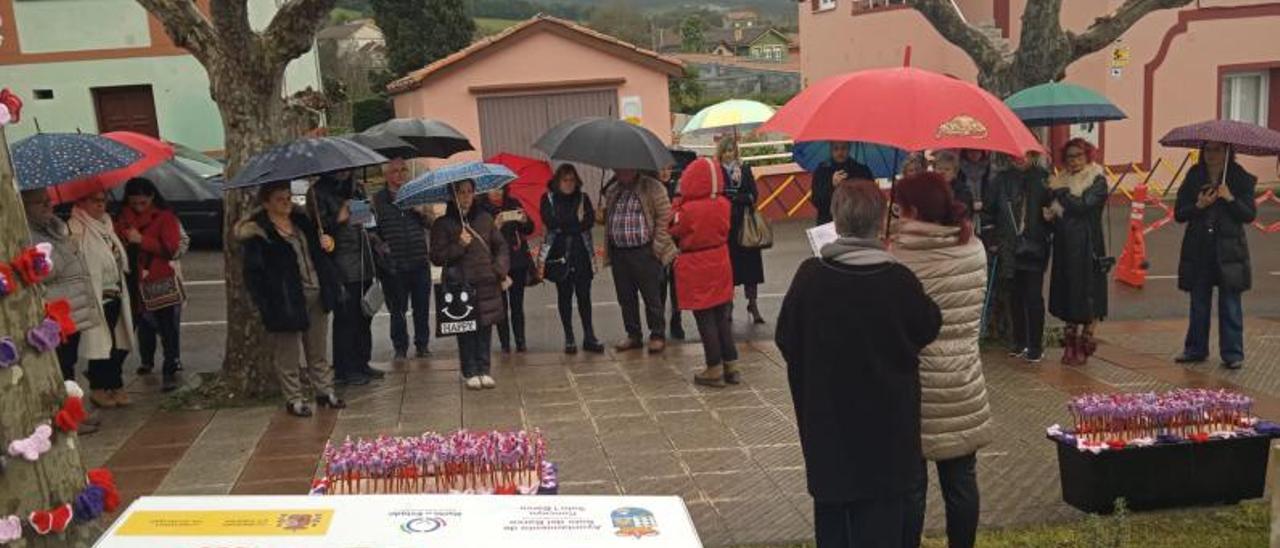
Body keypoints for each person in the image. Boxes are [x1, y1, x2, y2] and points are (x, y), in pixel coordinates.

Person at [778, 180, 942, 547]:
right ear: (880, 221)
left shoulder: (811, 278)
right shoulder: (898, 281)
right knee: (882, 526)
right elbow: (929, 325)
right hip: (888, 433)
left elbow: (786, 338)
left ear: (836, 221)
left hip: (829, 426)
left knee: (833, 526)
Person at [891, 172, 994, 548]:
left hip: (917, 386)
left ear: (915, 211)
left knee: (912, 486)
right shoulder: (975, 249)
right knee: (962, 481)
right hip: (963, 379)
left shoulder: (898, 260)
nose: (898, 216)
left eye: (901, 209)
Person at [239, 181, 346, 417]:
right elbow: (253, 274)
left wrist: (327, 244)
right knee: (288, 353)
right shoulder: (259, 232)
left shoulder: (303, 223)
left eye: (288, 198)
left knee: (317, 349)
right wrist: (266, 302)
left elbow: (319, 254)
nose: (286, 203)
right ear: (266, 203)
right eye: (280, 199)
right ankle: (294, 398)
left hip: (316, 292)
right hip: (285, 299)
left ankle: (324, 391)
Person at [24, 190, 106, 433]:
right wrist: (64, 253)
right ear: (26, 206)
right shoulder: (28, 234)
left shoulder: (54, 227)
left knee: (69, 363)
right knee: (60, 366)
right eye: (41, 203)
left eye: (49, 201)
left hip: (71, 309)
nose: (49, 206)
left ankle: (75, 411)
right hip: (53, 311)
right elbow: (44, 270)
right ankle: (66, 418)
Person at [1174, 141, 1257, 370]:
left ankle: (1233, 353)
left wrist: (1229, 198)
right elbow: (1179, 213)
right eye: (1208, 150)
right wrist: (1199, 205)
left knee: (1230, 302)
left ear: (1228, 152)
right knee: (1199, 302)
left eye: (1218, 150)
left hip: (1229, 250)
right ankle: (1195, 349)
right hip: (1199, 248)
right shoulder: (1194, 176)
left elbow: (1249, 214)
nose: (1212, 154)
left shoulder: (1239, 177)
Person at [430, 179, 509, 390]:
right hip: (460, 284)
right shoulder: (443, 224)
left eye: (469, 191)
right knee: (466, 329)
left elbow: (500, 246)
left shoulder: (484, 218)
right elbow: (437, 257)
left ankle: (484, 369)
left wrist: (499, 269)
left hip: (486, 281)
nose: (466, 196)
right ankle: (470, 371)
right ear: (453, 196)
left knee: (485, 326)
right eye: (461, 192)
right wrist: (459, 245)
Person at [670, 158, 737, 387]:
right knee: (722, 316)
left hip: (697, 262)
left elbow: (674, 227)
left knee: (704, 316)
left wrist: (677, 203)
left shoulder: (687, 209)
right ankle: (732, 365)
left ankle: (714, 367)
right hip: (720, 259)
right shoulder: (724, 203)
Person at [114, 178, 184, 392]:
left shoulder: (164, 217)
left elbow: (171, 248)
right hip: (130, 279)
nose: (138, 207)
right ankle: (117, 370)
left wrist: (141, 240)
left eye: (143, 203)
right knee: (132, 325)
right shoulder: (120, 218)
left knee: (167, 326)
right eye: (134, 203)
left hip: (157, 278)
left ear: (152, 197)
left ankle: (170, 367)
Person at [314, 171, 384, 386]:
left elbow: (363, 222)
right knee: (347, 318)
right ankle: (345, 368)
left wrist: (365, 208)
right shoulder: (319, 192)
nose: (344, 172)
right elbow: (318, 228)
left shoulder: (355, 187)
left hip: (363, 258)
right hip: (341, 262)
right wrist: (339, 218)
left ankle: (362, 361)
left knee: (364, 314)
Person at [68, 191, 135, 409]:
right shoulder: (76, 226)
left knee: (117, 343)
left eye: (103, 200)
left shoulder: (106, 225)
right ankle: (99, 387)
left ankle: (115, 383)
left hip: (115, 291)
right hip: (95, 295)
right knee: (100, 342)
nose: (100, 205)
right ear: (81, 202)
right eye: (94, 200)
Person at [1046, 138, 1109, 366]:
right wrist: (1051, 216)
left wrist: (1061, 194)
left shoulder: (1097, 180)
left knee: (1089, 296)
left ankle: (1085, 342)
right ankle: (1070, 343)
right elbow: (1060, 216)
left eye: (1079, 155)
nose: (1073, 160)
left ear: (1088, 156)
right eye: (1070, 156)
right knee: (1069, 295)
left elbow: (1083, 205)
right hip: (1065, 247)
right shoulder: (1059, 181)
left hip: (1088, 246)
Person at [602, 168, 676, 353]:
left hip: (644, 252)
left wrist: (657, 247)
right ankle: (633, 334)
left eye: (624, 167)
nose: (621, 171)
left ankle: (657, 334)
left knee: (652, 296)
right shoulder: (612, 190)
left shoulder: (653, 187)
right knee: (625, 297)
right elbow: (611, 219)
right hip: (619, 252)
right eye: (618, 168)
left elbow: (665, 218)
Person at [991, 153, 1052, 362]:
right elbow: (991, 211)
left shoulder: (1044, 178)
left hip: (1035, 244)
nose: (1019, 158)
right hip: (1010, 245)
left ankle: (1035, 345)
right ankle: (1019, 341)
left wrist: (1051, 216)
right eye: (1015, 154)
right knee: (1014, 296)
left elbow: (1056, 206)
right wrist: (993, 239)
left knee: (1033, 296)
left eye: (1025, 154)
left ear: (1033, 156)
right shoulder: (1002, 179)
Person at [372, 158, 433, 360]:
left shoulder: (416, 194)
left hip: (419, 260)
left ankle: (422, 345)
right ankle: (400, 347)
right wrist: (381, 246)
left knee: (422, 307)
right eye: (395, 171)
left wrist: (422, 211)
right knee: (397, 310)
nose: (400, 174)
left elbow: (432, 223)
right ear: (386, 175)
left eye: (403, 170)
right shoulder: (377, 200)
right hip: (394, 264)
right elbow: (370, 231)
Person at [541, 165, 605, 355]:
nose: (569, 184)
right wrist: (572, 224)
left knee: (584, 296)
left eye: (572, 180)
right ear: (557, 181)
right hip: (559, 255)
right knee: (564, 296)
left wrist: (566, 225)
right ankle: (569, 337)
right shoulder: (548, 199)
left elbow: (588, 222)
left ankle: (589, 335)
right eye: (565, 180)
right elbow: (550, 222)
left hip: (581, 254)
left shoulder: (583, 198)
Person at [717, 137, 766, 325]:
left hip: (745, 224)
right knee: (729, 268)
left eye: (732, 150)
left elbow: (753, 195)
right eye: (726, 150)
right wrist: (735, 197)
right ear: (721, 152)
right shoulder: (718, 171)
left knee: (750, 267)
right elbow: (718, 195)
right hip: (726, 225)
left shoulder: (744, 169)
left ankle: (753, 303)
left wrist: (735, 197)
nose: (730, 153)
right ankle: (728, 304)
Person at [480, 187, 534, 353]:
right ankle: (505, 343)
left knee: (517, 305)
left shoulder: (513, 203)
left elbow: (529, 229)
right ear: (486, 191)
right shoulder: (481, 210)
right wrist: (494, 226)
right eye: (493, 190)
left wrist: (524, 220)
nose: (497, 193)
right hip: (495, 263)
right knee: (501, 306)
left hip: (516, 261)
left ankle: (520, 341)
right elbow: (480, 237)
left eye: (501, 189)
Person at [810, 141, 874, 226]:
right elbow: (817, 201)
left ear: (849, 148)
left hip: (856, 224)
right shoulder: (822, 170)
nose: (840, 152)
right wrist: (832, 185)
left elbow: (871, 197)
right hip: (829, 223)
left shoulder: (862, 170)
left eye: (843, 148)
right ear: (831, 150)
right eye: (836, 149)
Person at [655, 164, 686, 340]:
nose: (665, 172)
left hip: (675, 242)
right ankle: (659, 324)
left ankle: (677, 320)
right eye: (662, 169)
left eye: (668, 169)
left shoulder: (677, 188)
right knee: (660, 284)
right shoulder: (653, 188)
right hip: (660, 242)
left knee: (676, 285)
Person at [957, 149, 998, 238]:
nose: (974, 154)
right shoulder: (958, 170)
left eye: (977, 151)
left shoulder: (991, 170)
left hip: (987, 216)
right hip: (966, 215)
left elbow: (994, 193)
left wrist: (985, 204)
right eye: (970, 151)